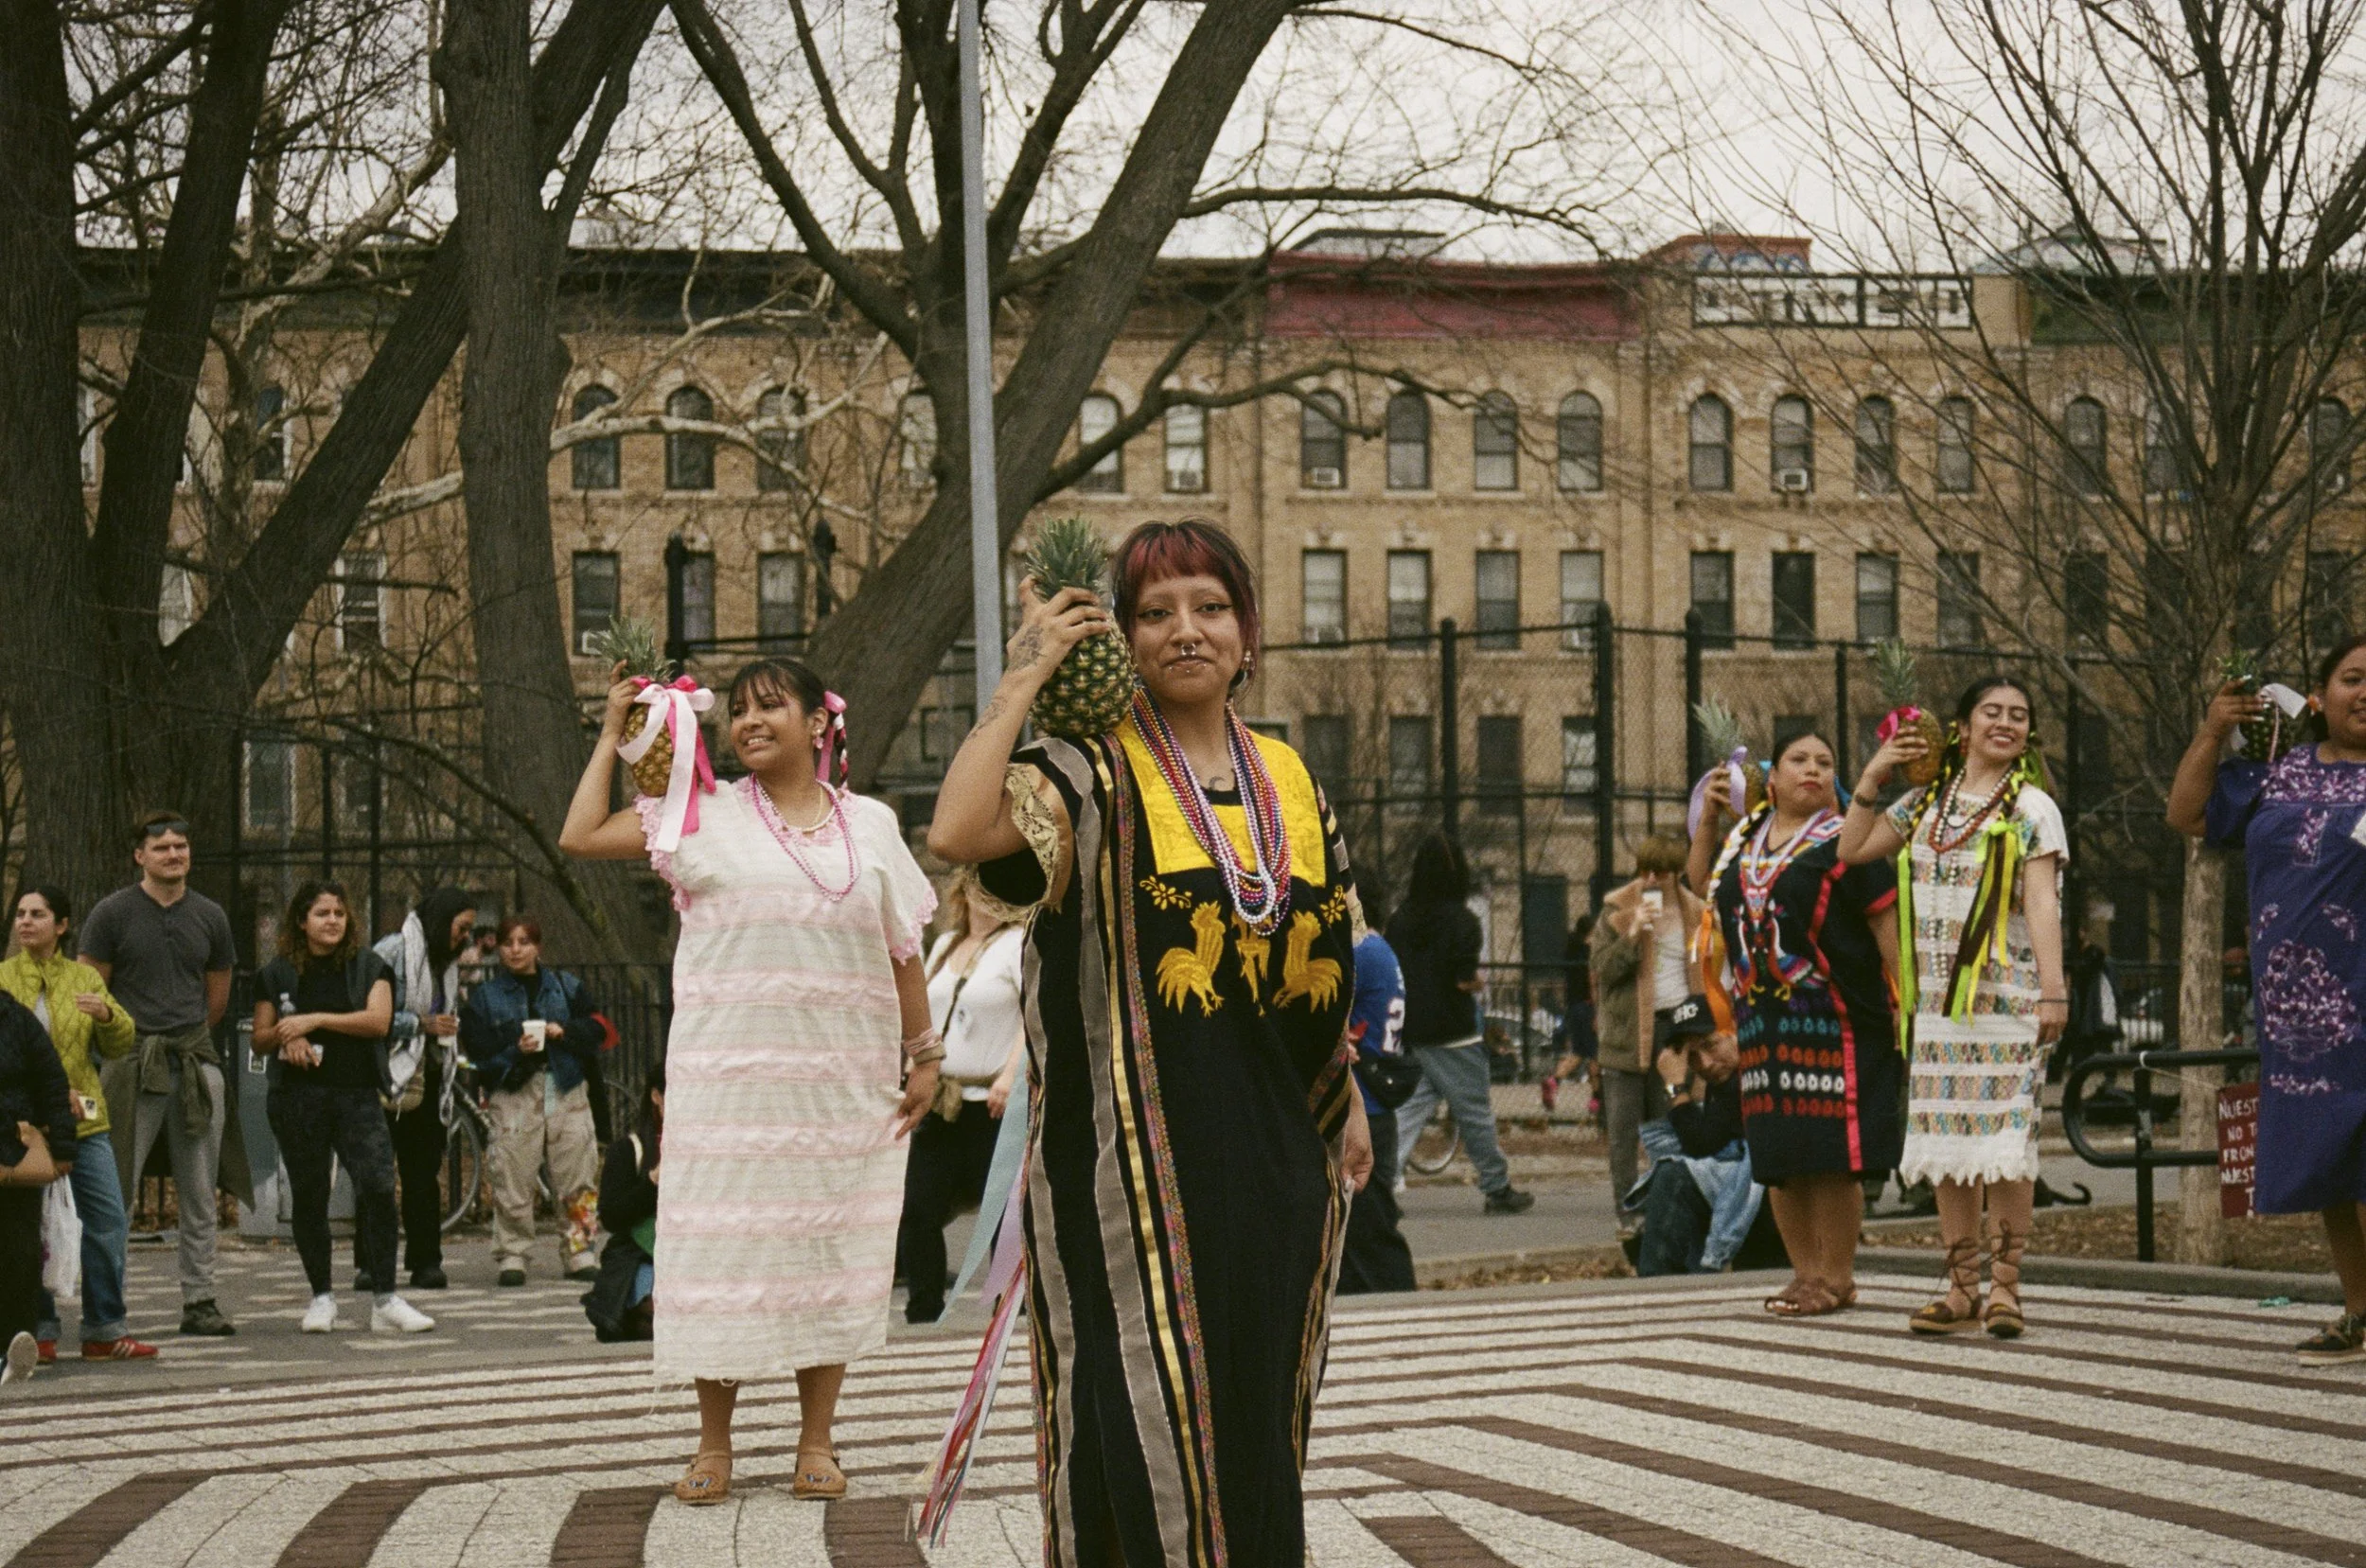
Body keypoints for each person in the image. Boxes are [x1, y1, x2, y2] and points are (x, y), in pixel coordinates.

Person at [927, 518, 1373, 1560]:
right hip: (1124, 1170)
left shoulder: (1293, 781)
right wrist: (1023, 676)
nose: (1186, 630)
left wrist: (1344, 1094)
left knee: (1254, 1410)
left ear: (1247, 632)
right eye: (1154, 612)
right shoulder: (1083, 772)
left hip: (1273, 1156)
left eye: (1210, 606)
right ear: (1118, 637)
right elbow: (955, 833)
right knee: (1139, 1410)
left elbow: (1323, 960)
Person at [560, 652, 939, 1506]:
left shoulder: (872, 824)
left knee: (826, 1251)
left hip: (839, 1086)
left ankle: (816, 1440)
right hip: (730, 1091)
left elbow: (902, 945)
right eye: (736, 710)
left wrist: (924, 1053)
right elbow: (581, 835)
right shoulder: (701, 814)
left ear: (819, 723)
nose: (749, 721)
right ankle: (713, 1444)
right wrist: (610, 734)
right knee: (722, 1257)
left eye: (771, 706)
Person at [1841, 677, 2068, 1339]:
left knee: (2005, 1145)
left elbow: (2041, 900)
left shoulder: (2031, 808)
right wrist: (1874, 772)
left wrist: (2053, 988)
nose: (2006, 723)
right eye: (1991, 712)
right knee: (1949, 1142)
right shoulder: (1924, 804)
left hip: (2009, 998)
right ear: (1961, 728)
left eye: (2019, 715)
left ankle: (2005, 1287)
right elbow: (1850, 850)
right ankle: (1961, 1284)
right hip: (1940, 1004)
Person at [2168, 635, 2366, 1364]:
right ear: (2320, 694)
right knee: (2332, 1169)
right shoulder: (2276, 774)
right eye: (2353, 677)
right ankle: (2359, 1311)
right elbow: (2187, 815)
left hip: (2365, 996)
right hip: (2296, 1013)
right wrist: (2214, 730)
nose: (2365, 691)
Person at [1703, 731, 1901, 1315]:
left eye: (1825, 761)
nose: (1812, 769)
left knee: (1833, 1154)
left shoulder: (1848, 839)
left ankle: (1837, 1277)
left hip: (1838, 1021)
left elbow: (1885, 927)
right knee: (1781, 1157)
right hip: (1764, 1025)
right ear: (1772, 777)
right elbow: (1701, 890)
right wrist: (1709, 821)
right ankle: (1805, 1274)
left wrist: (1907, 1007)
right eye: (1798, 760)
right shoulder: (1747, 841)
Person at [79, 811, 242, 1338]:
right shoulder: (112, 914)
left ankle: (200, 1300)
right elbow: (89, 993)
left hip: (194, 1061)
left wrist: (185, 1037)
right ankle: (106, 1307)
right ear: (140, 856)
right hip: (130, 1065)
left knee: (200, 1190)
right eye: (162, 847)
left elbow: (216, 998)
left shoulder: (211, 916)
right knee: (114, 1188)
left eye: (181, 846)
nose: (174, 854)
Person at [256, 882, 434, 1335]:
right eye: (321, 913)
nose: (332, 920)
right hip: (298, 1097)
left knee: (377, 1186)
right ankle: (321, 1297)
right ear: (301, 921)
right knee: (309, 1195)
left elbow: (377, 1021)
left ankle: (385, 1298)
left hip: (356, 1094)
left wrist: (314, 1020)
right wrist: (286, 1036)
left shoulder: (369, 966)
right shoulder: (277, 973)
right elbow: (259, 1035)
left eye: (339, 912)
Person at [3, 887, 150, 1365]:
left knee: (108, 1218)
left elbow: (120, 1041)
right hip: (24, 1126)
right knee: (29, 1229)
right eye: (21, 915)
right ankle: (38, 1329)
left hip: (85, 1120)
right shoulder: (4, 978)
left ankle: (104, 1328)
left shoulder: (82, 977)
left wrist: (106, 1016)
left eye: (38, 915)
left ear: (62, 925)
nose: (26, 922)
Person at [897, 871, 1025, 1324]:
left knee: (1001, 1205)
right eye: (978, 887)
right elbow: (925, 1012)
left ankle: (1011, 1303)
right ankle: (923, 1305)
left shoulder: (1018, 944)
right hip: (944, 1094)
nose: (985, 898)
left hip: (990, 1095)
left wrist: (1011, 1077)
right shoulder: (946, 943)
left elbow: (1032, 1016)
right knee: (918, 1205)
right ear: (964, 891)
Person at [1389, 833, 1534, 1215]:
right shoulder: (1463, 920)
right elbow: (1462, 978)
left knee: (1409, 1110)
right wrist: (1479, 983)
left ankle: (1381, 1182)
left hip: (1413, 1027)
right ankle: (1496, 1186)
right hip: (1454, 1031)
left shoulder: (1401, 918)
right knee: (1474, 1113)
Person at [460, 916, 604, 1287]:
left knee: (578, 1168)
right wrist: (514, 1050)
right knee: (511, 1169)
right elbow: (478, 1052)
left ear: (538, 946)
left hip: (565, 1083)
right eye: (508, 942)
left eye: (525, 941)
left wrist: (564, 1031)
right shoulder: (485, 997)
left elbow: (600, 1029)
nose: (516, 950)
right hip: (514, 1089)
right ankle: (512, 1252)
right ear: (499, 948)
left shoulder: (566, 986)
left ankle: (579, 1248)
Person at [1591, 834, 1705, 1232]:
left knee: (1669, 1126)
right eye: (1645, 870)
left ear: (1677, 875)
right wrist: (1634, 932)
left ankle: (1668, 1210)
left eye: (1661, 872)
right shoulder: (1618, 909)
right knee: (1623, 1133)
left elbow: (1707, 970)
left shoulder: (1696, 912)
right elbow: (1602, 970)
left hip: (1674, 1030)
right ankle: (1629, 1213)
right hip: (1626, 1035)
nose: (1652, 879)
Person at [367, 888, 477, 1291]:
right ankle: (371, 1263)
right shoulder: (394, 950)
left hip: (429, 1076)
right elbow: (367, 1012)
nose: (464, 937)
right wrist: (420, 1025)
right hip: (387, 1073)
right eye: (460, 928)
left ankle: (426, 1260)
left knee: (423, 1173)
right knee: (376, 1173)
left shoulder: (445, 965)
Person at [1631, 996, 1784, 1277]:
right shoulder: (1726, 1078)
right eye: (1691, 1056)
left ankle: (1656, 1281)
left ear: (1735, 1030)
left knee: (1674, 1176)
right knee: (1678, 1172)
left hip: (1776, 1187)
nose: (1705, 1063)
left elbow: (1701, 1144)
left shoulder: (1752, 1073)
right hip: (1760, 1185)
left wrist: (1676, 1088)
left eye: (1710, 1045)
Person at [1, 987, 77, 1386]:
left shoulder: (16, 1019)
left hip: (13, 1155)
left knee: (20, 1252)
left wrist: (62, 1147)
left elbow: (52, 1083)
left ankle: (15, 1344)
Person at [1339, 922, 1419, 1294]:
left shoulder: (1355, 952)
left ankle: (1402, 1311)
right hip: (1374, 1106)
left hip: (1361, 1107)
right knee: (1365, 1232)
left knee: (1368, 1236)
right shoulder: (1378, 949)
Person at [584, 1062, 663, 1344]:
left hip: (694, 1255)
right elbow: (612, 1216)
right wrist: (651, 1182)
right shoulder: (630, 1149)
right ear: (656, 1096)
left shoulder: (710, 1145)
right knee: (654, 1305)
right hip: (641, 1254)